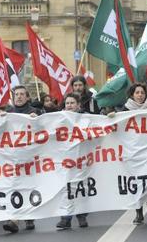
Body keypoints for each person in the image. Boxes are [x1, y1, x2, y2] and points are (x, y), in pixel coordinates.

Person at [0, 85, 41, 233]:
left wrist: (38, 121)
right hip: (12, 158)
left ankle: (29, 217)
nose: (19, 97)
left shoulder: (35, 112)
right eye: (16, 94)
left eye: (22, 94)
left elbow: (44, 129)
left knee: (29, 186)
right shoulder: (8, 113)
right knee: (14, 187)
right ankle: (14, 219)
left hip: (30, 157)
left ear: (27, 97)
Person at [116, 83, 147, 225]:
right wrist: (110, 117)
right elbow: (117, 124)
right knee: (135, 182)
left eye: (142, 92)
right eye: (137, 92)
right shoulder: (125, 109)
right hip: (132, 151)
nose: (140, 95)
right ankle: (138, 212)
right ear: (132, 95)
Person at [56, 93, 90, 230]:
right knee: (67, 188)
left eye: (72, 103)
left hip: (83, 158)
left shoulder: (86, 118)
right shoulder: (58, 118)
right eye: (67, 103)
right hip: (65, 159)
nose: (69, 105)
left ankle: (81, 215)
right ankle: (66, 218)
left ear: (78, 105)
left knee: (81, 187)